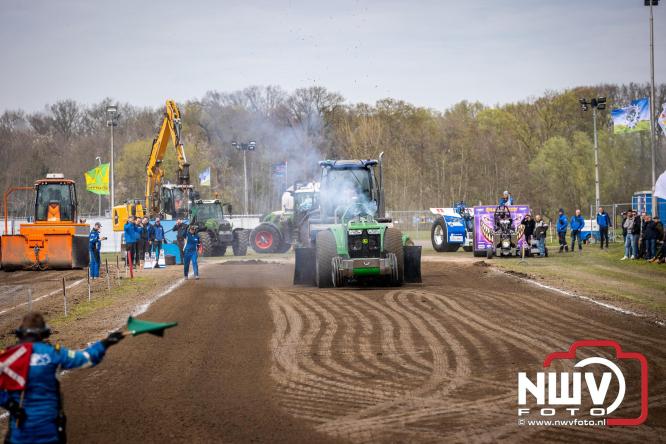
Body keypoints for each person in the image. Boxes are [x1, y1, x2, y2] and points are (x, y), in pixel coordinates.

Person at [0, 312, 123, 444]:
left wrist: (9, 403)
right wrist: (105, 343)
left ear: (20, 333)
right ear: (44, 333)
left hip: (19, 434)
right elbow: (86, 359)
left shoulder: (7, 356)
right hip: (49, 432)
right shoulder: (54, 353)